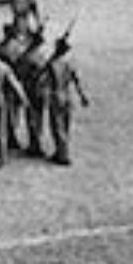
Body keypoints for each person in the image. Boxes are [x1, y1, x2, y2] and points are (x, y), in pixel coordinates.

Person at [42, 35, 90, 166]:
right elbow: (77, 81)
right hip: (68, 95)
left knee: (57, 126)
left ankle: (62, 154)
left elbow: (44, 80)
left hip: (56, 95)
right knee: (66, 125)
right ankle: (62, 151)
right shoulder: (70, 63)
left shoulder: (53, 63)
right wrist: (82, 96)